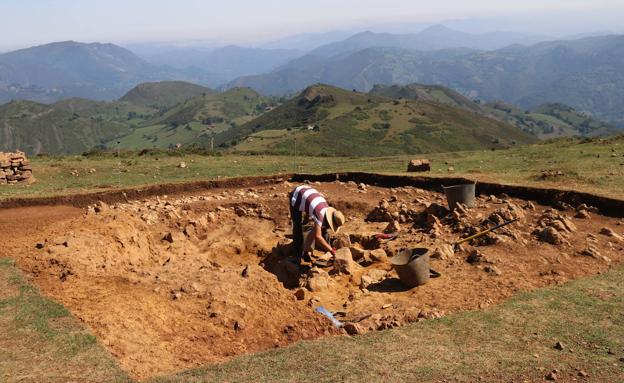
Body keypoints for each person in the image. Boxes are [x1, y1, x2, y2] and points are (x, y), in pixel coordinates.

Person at [289, 185, 345, 262]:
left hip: (307, 194)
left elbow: (315, 231)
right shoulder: (320, 214)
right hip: (297, 194)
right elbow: (317, 236)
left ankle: (306, 250)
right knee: (297, 225)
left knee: (322, 228)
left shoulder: (326, 211)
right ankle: (296, 254)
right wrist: (331, 250)